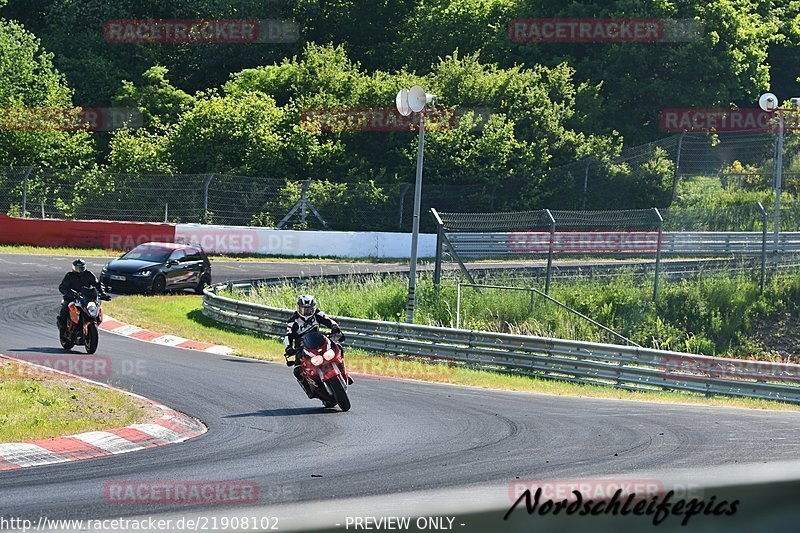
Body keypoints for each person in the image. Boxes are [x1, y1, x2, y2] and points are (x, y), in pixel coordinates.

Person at [283, 294, 350, 398]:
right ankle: (308, 389)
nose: (306, 312)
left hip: (318, 342)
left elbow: (328, 320)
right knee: (297, 370)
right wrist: (288, 347)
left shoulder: (318, 314)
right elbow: (288, 336)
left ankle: (344, 372)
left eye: (308, 309)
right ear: (298, 308)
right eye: (303, 309)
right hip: (302, 348)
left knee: (338, 347)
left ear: (313, 308)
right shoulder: (293, 321)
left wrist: (334, 327)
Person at [57, 259, 105, 332]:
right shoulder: (69, 276)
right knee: (65, 307)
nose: (79, 270)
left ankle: (95, 320)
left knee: (95, 306)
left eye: (81, 268)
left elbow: (97, 284)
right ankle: (63, 326)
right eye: (77, 268)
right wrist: (70, 294)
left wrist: (102, 293)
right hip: (72, 297)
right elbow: (62, 287)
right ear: (73, 268)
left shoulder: (89, 274)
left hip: (86, 297)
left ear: (84, 267)